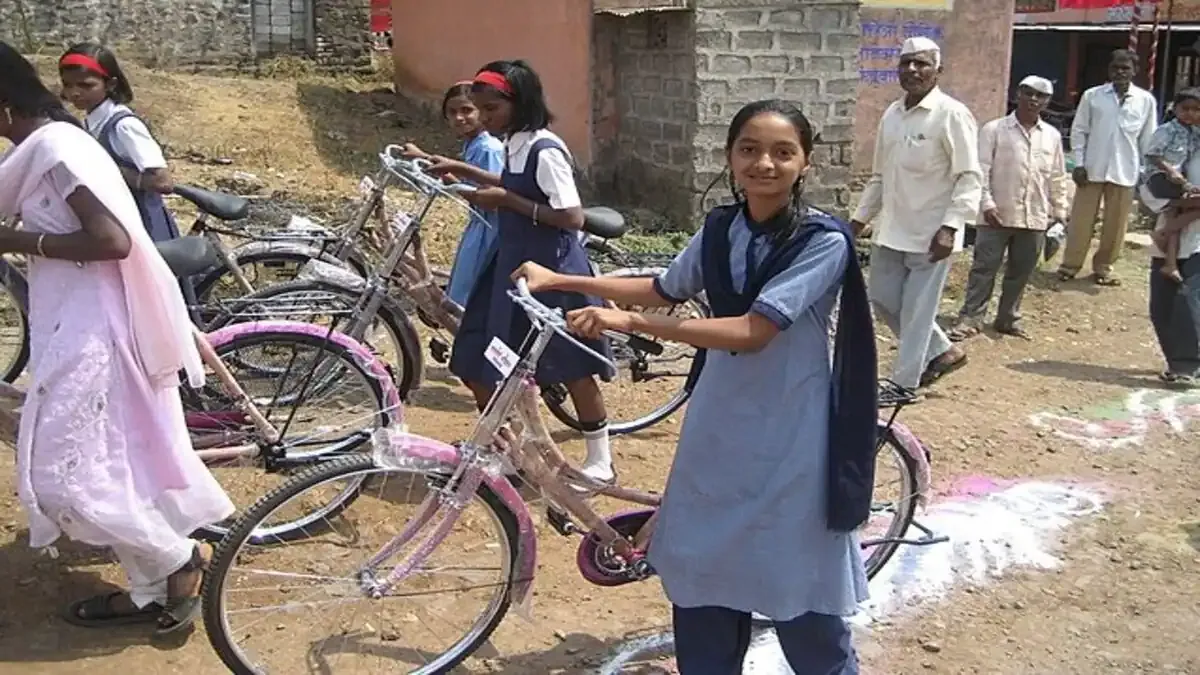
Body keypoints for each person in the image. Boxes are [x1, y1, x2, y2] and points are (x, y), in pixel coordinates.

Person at [515, 98, 876, 674]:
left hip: (791, 434)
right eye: (749, 149)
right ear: (730, 157)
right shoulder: (721, 229)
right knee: (704, 576)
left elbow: (753, 331)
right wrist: (559, 279)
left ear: (805, 163)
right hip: (719, 423)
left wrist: (630, 322)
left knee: (798, 582)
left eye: (783, 152)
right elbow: (663, 288)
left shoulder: (822, 242)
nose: (764, 164)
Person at [0, 43, 233, 635]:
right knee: (112, 462)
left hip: (93, 329)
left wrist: (19, 242)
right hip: (76, 319)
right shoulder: (49, 146)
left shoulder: (55, 150)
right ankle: (151, 589)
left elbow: (111, 241)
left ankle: (178, 558)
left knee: (62, 480)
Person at [425, 60, 616, 483]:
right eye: (480, 109)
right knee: (477, 357)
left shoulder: (545, 150)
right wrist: (464, 170)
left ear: (520, 103)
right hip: (511, 267)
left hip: (552, 270)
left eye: (491, 109)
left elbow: (571, 216)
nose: (483, 118)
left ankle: (600, 461)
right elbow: (512, 184)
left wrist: (508, 202)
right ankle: (509, 451)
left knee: (571, 365)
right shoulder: (513, 142)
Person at [850, 36, 981, 390]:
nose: (912, 69)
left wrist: (951, 227)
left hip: (932, 233)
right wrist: (858, 222)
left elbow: (969, 176)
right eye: (906, 63)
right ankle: (943, 351)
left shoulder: (952, 114)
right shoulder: (892, 115)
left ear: (938, 71)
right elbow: (879, 176)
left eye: (921, 63)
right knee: (882, 298)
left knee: (917, 312)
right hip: (892, 228)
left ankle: (904, 384)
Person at [948, 75, 1069, 341]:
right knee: (984, 269)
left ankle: (1008, 318)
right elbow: (980, 170)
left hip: (1034, 217)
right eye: (1028, 93)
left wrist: (1059, 212)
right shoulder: (994, 130)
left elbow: (1057, 177)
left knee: (1021, 272)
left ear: (1047, 101)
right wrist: (987, 203)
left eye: (1040, 96)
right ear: (1018, 94)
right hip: (996, 214)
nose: (1033, 99)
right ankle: (971, 318)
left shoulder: (1051, 136)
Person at [58, 42, 179, 243]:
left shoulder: (123, 126)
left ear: (110, 84)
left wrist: (107, 170)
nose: (74, 93)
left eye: (86, 85)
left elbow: (162, 182)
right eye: (68, 85)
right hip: (116, 224)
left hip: (143, 227)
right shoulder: (91, 123)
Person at [1057, 49, 1157, 287]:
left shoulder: (1145, 100)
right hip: (1092, 169)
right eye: (1115, 68)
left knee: (1116, 226)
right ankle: (1069, 265)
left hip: (1125, 171)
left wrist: (1146, 172)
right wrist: (1078, 163)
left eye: (1125, 68)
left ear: (1135, 71)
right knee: (1081, 221)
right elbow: (1079, 130)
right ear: (1109, 70)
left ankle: (1104, 268)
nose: (1120, 72)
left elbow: (1148, 139)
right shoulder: (1093, 96)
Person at [401, 81, 504, 306]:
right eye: (452, 112)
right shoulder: (473, 145)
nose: (459, 118)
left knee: (467, 294)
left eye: (467, 110)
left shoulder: (488, 148)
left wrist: (450, 179)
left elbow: (491, 199)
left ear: (482, 112)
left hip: (491, 230)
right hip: (479, 225)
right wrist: (423, 157)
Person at [1142, 88, 1200, 283]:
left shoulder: (1193, 133)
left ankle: (1168, 254)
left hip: (1178, 180)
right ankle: (1167, 248)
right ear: (1175, 109)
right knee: (1188, 203)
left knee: (1175, 211)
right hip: (1161, 177)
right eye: (1185, 109)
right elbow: (1152, 154)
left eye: (1196, 109)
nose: (1190, 113)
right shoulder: (1167, 130)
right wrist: (1171, 172)